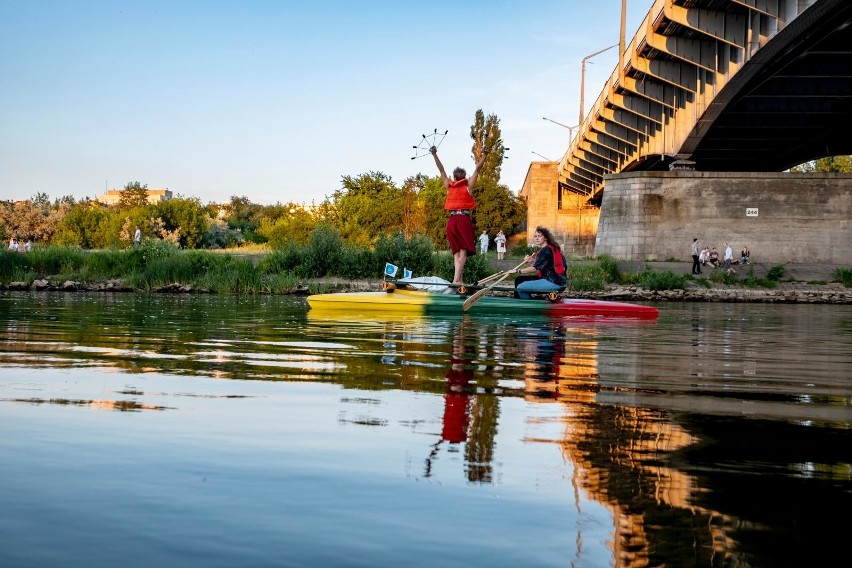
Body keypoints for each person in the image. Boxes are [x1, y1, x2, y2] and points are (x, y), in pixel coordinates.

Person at [431, 145, 489, 285]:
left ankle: (460, 281)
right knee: (463, 252)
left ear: (454, 177)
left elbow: (441, 170)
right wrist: (484, 156)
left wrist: (434, 154)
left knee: (456, 252)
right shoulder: (468, 186)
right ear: (464, 176)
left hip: (451, 221)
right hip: (463, 219)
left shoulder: (449, 186)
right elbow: (477, 169)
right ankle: (456, 280)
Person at [510, 226, 567, 300]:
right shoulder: (550, 248)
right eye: (535, 236)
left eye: (539, 236)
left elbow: (534, 268)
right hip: (555, 280)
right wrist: (533, 260)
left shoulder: (545, 251)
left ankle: (528, 306)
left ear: (545, 238)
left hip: (553, 281)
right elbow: (545, 264)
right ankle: (521, 301)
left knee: (520, 287)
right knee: (519, 280)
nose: (537, 238)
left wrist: (517, 271)